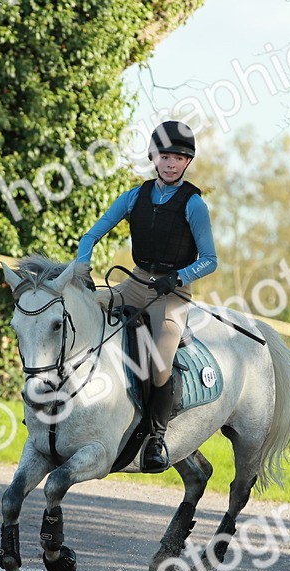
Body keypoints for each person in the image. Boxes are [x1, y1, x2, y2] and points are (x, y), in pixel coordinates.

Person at [75, 120, 218, 473]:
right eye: (164, 156)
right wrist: (82, 268)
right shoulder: (134, 197)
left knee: (159, 361)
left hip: (172, 294)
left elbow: (210, 260)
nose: (170, 164)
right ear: (154, 157)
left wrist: (179, 277)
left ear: (187, 162)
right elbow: (90, 237)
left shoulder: (194, 204)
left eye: (178, 158)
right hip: (135, 282)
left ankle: (156, 438)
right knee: (79, 313)